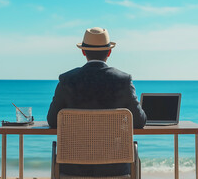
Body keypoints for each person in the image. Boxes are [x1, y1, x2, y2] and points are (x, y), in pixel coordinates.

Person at [47, 27, 146, 177]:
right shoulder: (123, 81)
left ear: (83, 51)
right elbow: (139, 121)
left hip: (72, 170)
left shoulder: (67, 80)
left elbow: (52, 120)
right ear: (109, 52)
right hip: (116, 170)